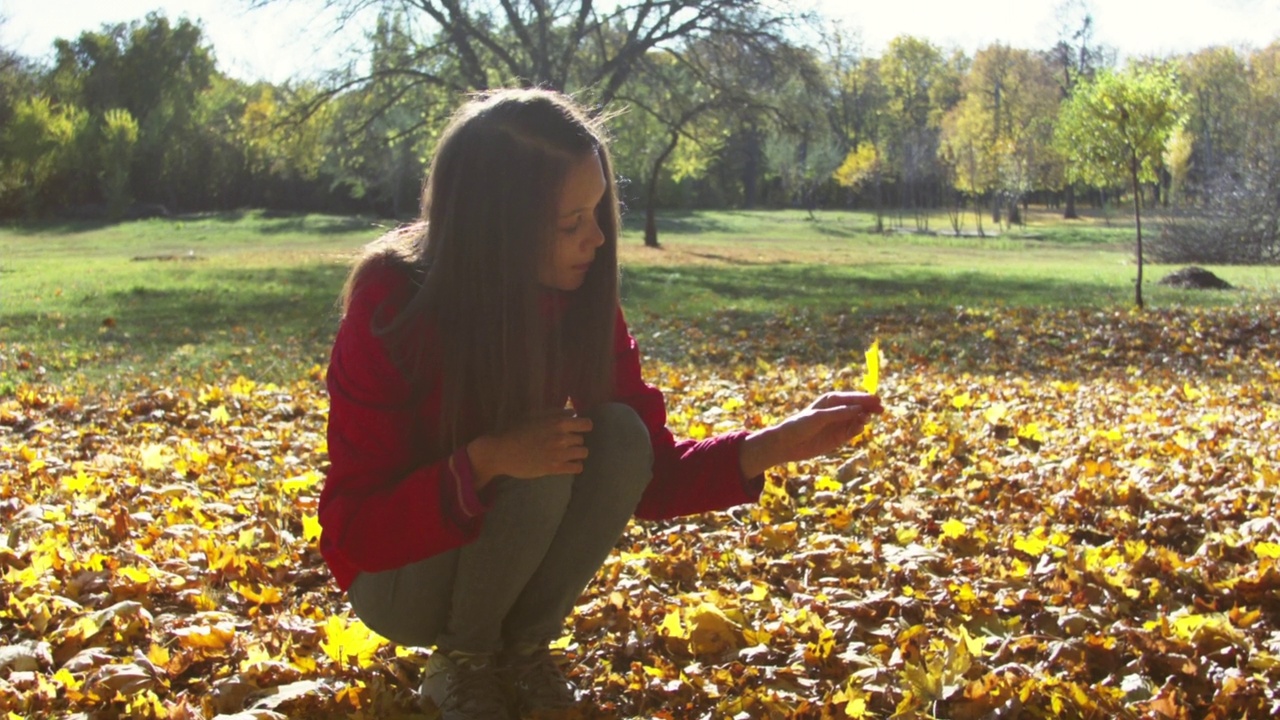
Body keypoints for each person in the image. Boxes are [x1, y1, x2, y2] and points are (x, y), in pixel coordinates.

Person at [319, 87, 884, 720]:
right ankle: (464, 662)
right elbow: (357, 530)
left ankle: (522, 652)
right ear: (496, 229)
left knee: (613, 434)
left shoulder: (580, 296)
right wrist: (485, 461)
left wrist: (775, 444)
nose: (597, 239)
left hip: (493, 551)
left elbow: (645, 471)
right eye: (571, 223)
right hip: (400, 579)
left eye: (598, 214)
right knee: (536, 461)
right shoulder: (393, 304)